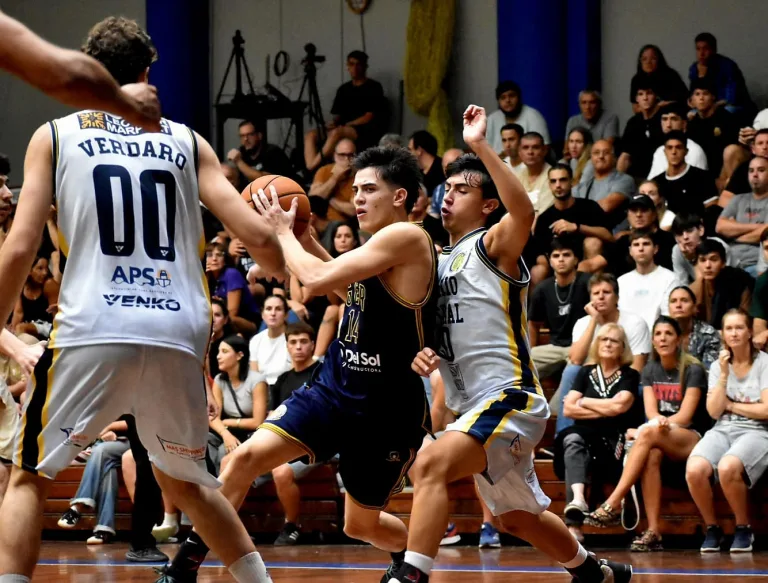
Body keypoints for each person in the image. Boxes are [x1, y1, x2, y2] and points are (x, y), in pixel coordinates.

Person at [0, 16, 286, 583]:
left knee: (29, 474)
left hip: (93, 323)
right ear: (147, 72)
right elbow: (256, 238)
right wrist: (282, 262)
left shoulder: (54, 135)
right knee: (188, 481)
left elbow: (19, 248)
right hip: (178, 329)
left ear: (86, 70)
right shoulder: (187, 140)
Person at [159, 145, 438, 583]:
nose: (358, 197)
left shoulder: (407, 237)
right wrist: (305, 237)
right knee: (245, 459)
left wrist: (282, 234)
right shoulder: (377, 243)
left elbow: (316, 281)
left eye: (369, 189)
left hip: (383, 409)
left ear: (400, 196)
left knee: (359, 526)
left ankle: (406, 555)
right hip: (334, 389)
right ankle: (184, 566)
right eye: (355, 188)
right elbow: (349, 292)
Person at [396, 105, 632, 583]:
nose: (449, 197)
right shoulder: (433, 261)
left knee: (431, 463)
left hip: (509, 397)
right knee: (513, 517)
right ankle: (592, 571)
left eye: (463, 190)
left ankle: (411, 575)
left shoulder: (492, 244)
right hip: (469, 408)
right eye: (448, 189)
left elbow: (524, 208)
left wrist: (481, 146)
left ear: (486, 205)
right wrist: (421, 350)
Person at [586, 317, 708, 552]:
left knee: (647, 434)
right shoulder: (651, 369)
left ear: (679, 339)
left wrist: (653, 427)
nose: (663, 338)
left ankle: (613, 503)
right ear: (652, 341)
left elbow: (685, 417)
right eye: (658, 334)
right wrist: (653, 426)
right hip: (659, 435)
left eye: (669, 333)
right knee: (651, 453)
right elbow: (651, 412)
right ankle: (654, 531)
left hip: (692, 437)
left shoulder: (693, 369)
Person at [686, 309, 768, 553]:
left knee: (727, 466)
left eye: (739, 328)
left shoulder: (764, 362)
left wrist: (731, 405)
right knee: (695, 469)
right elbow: (713, 412)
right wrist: (723, 376)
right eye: (729, 328)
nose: (734, 333)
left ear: (749, 332)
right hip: (723, 427)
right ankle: (712, 528)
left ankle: (744, 528)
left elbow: (766, 411)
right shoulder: (717, 366)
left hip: (758, 430)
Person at [0, 10, 160, 131]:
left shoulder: (51, 135)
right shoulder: (183, 136)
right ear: (144, 76)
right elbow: (67, 75)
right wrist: (129, 104)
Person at [559, 324, 641, 542]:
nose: (607, 344)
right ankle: (577, 504)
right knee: (572, 440)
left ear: (622, 347)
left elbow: (619, 408)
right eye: (604, 339)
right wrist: (606, 407)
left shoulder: (630, 375)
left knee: (577, 442)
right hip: (582, 432)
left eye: (613, 341)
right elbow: (568, 408)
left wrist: (584, 401)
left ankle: (577, 522)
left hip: (614, 438)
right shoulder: (585, 372)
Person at [267, 322, 323, 546]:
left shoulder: (322, 374)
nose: (298, 347)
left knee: (281, 472)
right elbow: (273, 416)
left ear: (312, 345)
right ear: (287, 346)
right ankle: (229, 528)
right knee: (232, 462)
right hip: (282, 442)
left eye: (303, 342)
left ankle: (291, 526)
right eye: (293, 342)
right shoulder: (282, 380)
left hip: (315, 444)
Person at [529, 237, 591, 380]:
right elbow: (533, 324)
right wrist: (531, 349)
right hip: (555, 348)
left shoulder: (588, 282)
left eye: (566, 255)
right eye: (556, 256)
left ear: (576, 260)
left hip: (583, 348)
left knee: (576, 367)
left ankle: (559, 402)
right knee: (520, 364)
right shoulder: (542, 289)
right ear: (550, 262)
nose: (561, 260)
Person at [208, 336, 267, 475]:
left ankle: (223, 492)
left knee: (225, 450)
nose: (218, 356)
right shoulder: (219, 380)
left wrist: (230, 422)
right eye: (218, 352)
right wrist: (225, 433)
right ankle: (207, 487)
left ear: (240, 355)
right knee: (203, 441)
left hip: (250, 433)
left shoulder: (257, 380)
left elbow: (257, 422)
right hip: (228, 431)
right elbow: (213, 416)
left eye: (224, 351)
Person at [617, 230, 679, 333]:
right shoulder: (621, 281)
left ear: (655, 249)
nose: (641, 248)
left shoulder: (670, 278)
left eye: (646, 244)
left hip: (658, 339)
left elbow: (669, 316)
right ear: (630, 251)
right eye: (636, 245)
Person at [689, 239, 753, 328]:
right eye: (703, 260)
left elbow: (745, 321)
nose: (708, 265)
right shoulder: (693, 291)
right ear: (697, 264)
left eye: (713, 259)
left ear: (723, 263)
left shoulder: (740, 281)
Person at [228, 120, 295, 189]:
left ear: (259, 136)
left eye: (250, 134)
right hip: (250, 196)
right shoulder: (241, 153)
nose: (245, 139)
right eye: (242, 136)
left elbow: (266, 181)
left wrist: (239, 162)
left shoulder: (273, 152)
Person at [668, 286, 722, 371]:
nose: (678, 305)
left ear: (694, 307)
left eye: (684, 300)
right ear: (668, 308)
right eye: (673, 301)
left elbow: (709, 371)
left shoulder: (708, 334)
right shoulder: (662, 333)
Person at [486, 80, 550, 152]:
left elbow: (544, 148)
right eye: (503, 97)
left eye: (511, 96)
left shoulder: (534, 117)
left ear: (519, 98)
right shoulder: (492, 119)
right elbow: (484, 149)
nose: (507, 100)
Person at [671, 213, 733, 284]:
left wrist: (693, 260)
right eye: (680, 233)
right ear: (675, 238)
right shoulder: (677, 251)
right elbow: (682, 285)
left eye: (689, 231)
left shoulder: (718, 245)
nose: (685, 237)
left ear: (701, 230)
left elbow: (723, 284)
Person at [629, 45, 688, 111]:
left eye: (653, 58)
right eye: (644, 59)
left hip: (670, 115)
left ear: (659, 60)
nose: (648, 62)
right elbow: (635, 108)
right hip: (646, 117)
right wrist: (655, 108)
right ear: (640, 61)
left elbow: (685, 100)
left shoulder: (671, 75)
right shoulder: (636, 80)